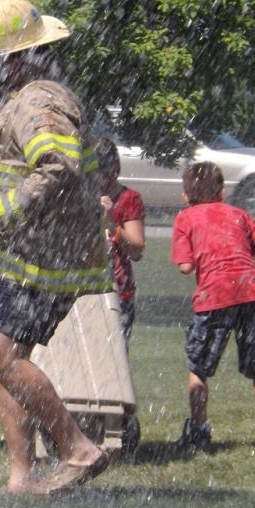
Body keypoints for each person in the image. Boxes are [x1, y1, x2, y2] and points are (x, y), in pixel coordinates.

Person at [0, 0, 112, 495]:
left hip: (43, 260)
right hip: (24, 256)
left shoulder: (38, 102)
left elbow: (57, 168)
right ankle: (21, 476)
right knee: (9, 358)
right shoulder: (20, 99)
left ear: (11, 61)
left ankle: (78, 448)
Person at [171, 161, 255, 451]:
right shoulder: (238, 214)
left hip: (214, 297)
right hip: (252, 293)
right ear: (222, 193)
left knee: (198, 367)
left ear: (186, 196)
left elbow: (185, 267)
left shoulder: (185, 219)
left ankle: (198, 431)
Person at [96, 137, 146, 349]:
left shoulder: (128, 199)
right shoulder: (77, 196)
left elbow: (136, 250)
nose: (98, 181)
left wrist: (111, 222)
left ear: (115, 170)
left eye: (102, 174)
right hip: (80, 290)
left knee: (115, 356)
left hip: (118, 293)